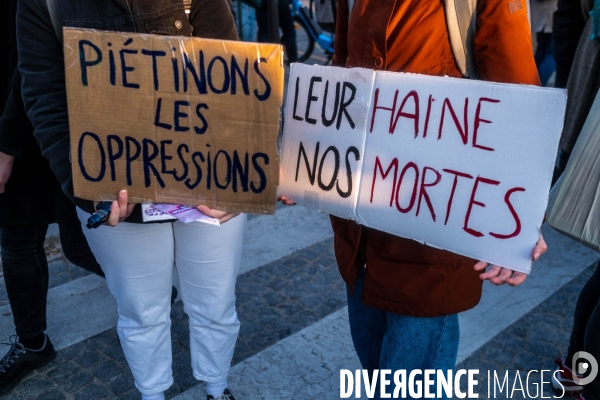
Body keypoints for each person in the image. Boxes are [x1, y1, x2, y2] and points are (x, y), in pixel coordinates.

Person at [283, 0, 547, 398]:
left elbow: (518, 93)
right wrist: (304, 155)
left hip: (431, 237)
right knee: (377, 376)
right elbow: (342, 69)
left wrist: (519, 219)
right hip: (359, 236)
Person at [17, 1, 245, 399]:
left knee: (215, 302)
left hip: (206, 176)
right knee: (141, 311)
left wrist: (238, 172)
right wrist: (86, 188)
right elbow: (44, 96)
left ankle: (217, 388)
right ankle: (152, 393)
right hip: (114, 192)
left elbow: (228, 64)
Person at [0, 0, 104, 395]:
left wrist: (7, 143)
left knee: (79, 243)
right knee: (16, 238)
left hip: (48, 114)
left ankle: (151, 290)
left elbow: (33, 62)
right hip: (24, 111)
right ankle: (32, 343)